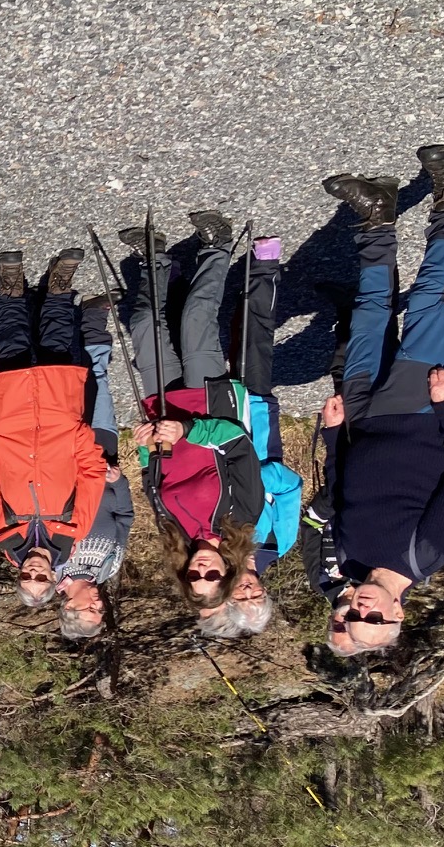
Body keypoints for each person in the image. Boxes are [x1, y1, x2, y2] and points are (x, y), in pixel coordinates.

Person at [308, 145, 444, 655]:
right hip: (418, 408)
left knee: (369, 312)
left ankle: (378, 217)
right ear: (397, 614)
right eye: (374, 617)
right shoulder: (429, 552)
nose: (361, 606)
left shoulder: (350, 560)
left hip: (361, 413)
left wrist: (334, 435)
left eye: (354, 616)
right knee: (430, 302)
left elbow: (340, 491)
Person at [121, 213, 266, 611]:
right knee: (195, 318)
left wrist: (147, 444)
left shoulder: (171, 530)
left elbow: (153, 475)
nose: (202, 570)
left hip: (162, 409)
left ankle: (156, 259)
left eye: (194, 578)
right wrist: (189, 431)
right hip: (207, 404)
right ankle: (217, 244)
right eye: (213, 576)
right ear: (229, 570)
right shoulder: (243, 517)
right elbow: (239, 444)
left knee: (143, 324)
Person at [0, 245, 105, 612]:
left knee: (12, 348)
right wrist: (79, 435)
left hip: (9, 425)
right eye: (41, 579)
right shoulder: (74, 532)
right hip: (61, 421)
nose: (33, 573)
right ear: (54, 578)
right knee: (57, 348)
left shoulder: (4, 534)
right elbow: (92, 477)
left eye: (25, 578)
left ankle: (11, 288)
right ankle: (59, 286)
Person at [204, 231, 303, 639]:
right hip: (255, 422)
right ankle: (264, 266)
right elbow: (291, 488)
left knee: (207, 349)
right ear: (265, 591)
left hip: (211, 435)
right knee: (254, 344)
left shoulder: (213, 556)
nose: (248, 592)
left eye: (241, 600)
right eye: (256, 597)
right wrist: (256, 475)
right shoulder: (278, 543)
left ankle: (199, 276)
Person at [51, 296, 133, 641]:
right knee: (97, 381)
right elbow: (124, 518)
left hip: (64, 462)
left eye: (90, 610)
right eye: (101, 611)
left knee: (65, 389)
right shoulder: (108, 569)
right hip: (103, 455)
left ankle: (55, 316)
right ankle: (92, 318)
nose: (98, 605)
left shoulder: (50, 572)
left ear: (69, 607)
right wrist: (118, 482)